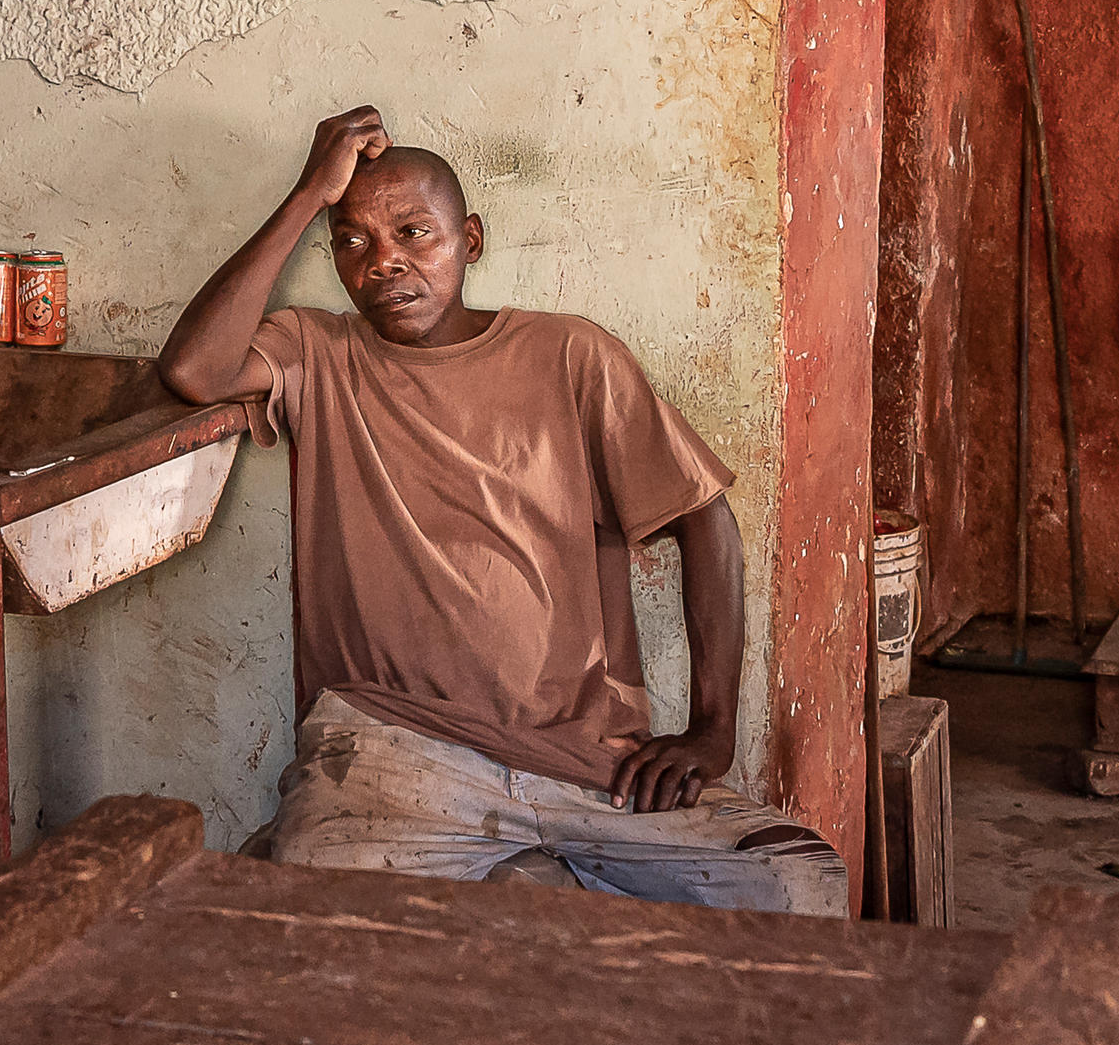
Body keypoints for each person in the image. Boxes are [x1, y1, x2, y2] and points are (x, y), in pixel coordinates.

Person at [156, 107, 846, 912]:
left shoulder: (568, 356)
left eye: (415, 233)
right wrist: (310, 191)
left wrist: (713, 727)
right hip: (390, 753)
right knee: (309, 915)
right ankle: (522, 881)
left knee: (798, 882)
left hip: (589, 762)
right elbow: (195, 370)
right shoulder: (317, 352)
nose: (384, 263)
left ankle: (538, 873)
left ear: (470, 240)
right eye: (352, 241)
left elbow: (706, 520)